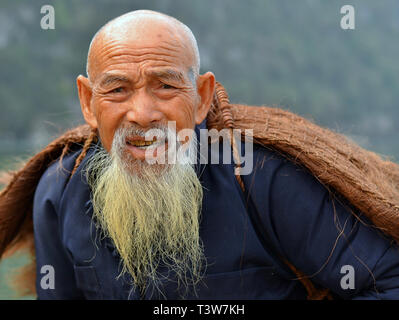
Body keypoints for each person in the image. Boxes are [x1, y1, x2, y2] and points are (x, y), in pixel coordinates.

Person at [6, 10, 399, 300]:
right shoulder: (59, 190)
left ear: (202, 98)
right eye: (118, 90)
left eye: (165, 86)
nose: (142, 114)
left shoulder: (263, 178)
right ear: (88, 102)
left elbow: (387, 280)